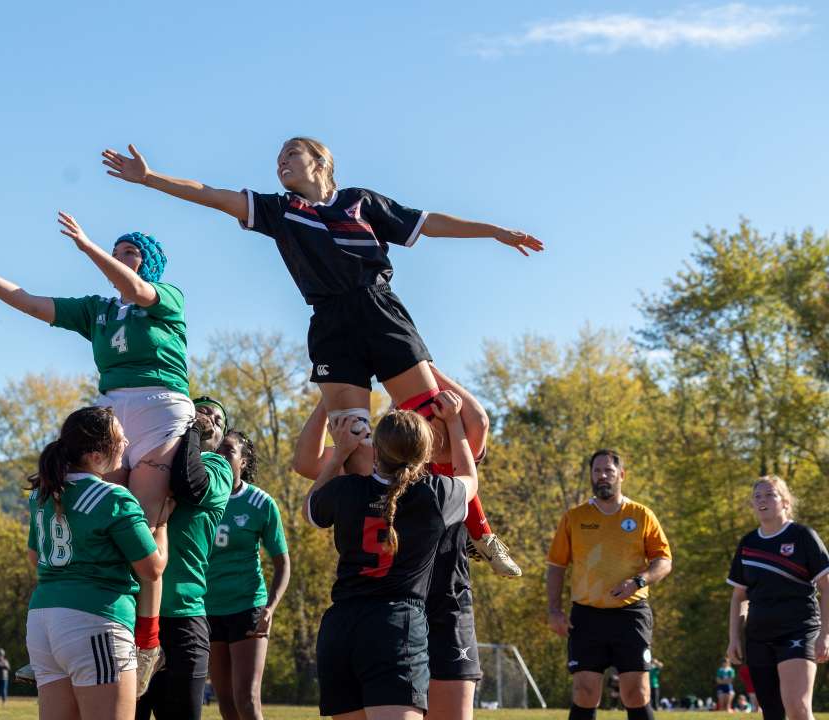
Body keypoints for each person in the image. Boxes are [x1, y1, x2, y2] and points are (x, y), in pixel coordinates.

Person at [102, 138, 539, 576]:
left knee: (437, 420)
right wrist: (150, 178)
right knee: (355, 439)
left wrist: (496, 231)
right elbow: (211, 194)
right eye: (277, 160)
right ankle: (377, 552)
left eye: (290, 155)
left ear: (321, 162)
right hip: (330, 325)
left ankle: (478, 530)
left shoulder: (359, 202)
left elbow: (427, 223)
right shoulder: (280, 209)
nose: (281, 164)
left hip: (380, 310)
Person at [0, 213, 190, 680]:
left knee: (145, 515)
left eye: (129, 255)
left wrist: (87, 247)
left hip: (160, 407)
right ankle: (67, 626)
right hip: (112, 411)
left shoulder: (167, 298)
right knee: (85, 507)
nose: (119, 263)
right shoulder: (97, 310)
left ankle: (146, 642)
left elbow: (136, 290)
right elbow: (31, 303)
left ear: (150, 263)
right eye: (115, 256)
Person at [292, 367, 492, 720]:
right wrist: (452, 420)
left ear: (377, 449)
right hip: (395, 622)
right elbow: (468, 477)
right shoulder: (434, 495)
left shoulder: (349, 489)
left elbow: (311, 508)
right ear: (426, 450)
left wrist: (340, 452)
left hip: (342, 625)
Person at [25, 406, 167, 720]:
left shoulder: (43, 494)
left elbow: (36, 557)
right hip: (94, 620)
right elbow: (152, 569)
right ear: (94, 456)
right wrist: (162, 524)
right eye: (119, 439)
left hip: (42, 621)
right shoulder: (112, 497)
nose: (127, 443)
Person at [546, 449, 673, 720]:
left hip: (631, 614)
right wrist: (554, 610)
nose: (602, 476)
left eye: (609, 471)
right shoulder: (574, 517)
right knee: (584, 692)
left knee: (636, 693)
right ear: (591, 476)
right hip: (587, 615)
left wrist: (640, 581)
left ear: (621, 475)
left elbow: (664, 561)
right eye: (597, 471)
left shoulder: (642, 515)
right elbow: (556, 566)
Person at [136, 398, 233, 720]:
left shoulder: (218, 468)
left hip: (182, 615)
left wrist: (191, 428)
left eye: (217, 420)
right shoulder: (147, 461)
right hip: (131, 613)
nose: (209, 419)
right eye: (201, 411)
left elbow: (189, 484)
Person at [725, 476, 829, 720]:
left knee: (798, 708)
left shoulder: (803, 536)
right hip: (759, 637)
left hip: (799, 632)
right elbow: (739, 596)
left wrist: (825, 634)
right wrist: (733, 638)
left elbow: (826, 586)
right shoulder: (748, 543)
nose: (763, 500)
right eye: (757, 496)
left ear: (785, 502)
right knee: (772, 714)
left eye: (770, 494)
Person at [203, 430, 289, 720]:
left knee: (247, 699)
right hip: (208, 609)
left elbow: (282, 563)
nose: (221, 456)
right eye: (217, 450)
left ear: (244, 460)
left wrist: (270, 608)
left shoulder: (261, 503)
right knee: (225, 702)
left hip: (247, 606)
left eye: (228, 451)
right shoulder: (201, 500)